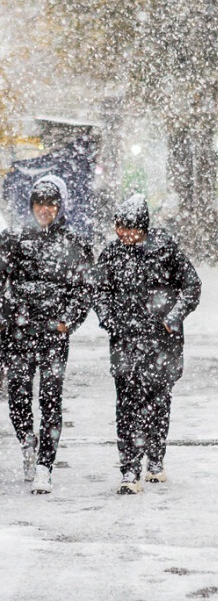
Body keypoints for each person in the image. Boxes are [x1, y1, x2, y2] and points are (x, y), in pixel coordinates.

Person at [93, 194, 201, 494]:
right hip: (125, 340)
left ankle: (155, 457)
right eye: (121, 228)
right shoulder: (111, 254)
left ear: (145, 227)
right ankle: (129, 469)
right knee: (126, 404)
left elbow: (192, 286)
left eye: (133, 229)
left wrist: (172, 318)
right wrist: (109, 319)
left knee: (157, 401)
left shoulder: (165, 250)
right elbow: (99, 290)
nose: (126, 235)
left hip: (162, 342)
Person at [0, 175, 93, 493]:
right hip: (18, 333)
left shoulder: (73, 242)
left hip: (53, 334)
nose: (44, 209)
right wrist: (7, 318)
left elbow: (85, 289)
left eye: (51, 204)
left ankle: (45, 466)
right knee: (18, 398)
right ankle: (29, 447)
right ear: (31, 205)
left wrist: (68, 320)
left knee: (51, 400)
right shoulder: (13, 238)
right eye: (39, 203)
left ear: (60, 206)